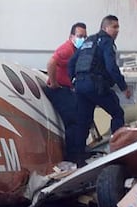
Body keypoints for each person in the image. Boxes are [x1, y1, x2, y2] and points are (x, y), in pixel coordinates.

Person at [68, 15, 131, 166]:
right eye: (114, 27)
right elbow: (111, 67)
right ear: (105, 28)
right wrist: (124, 87)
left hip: (81, 86)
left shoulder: (88, 41)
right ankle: (117, 153)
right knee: (117, 113)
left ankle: (79, 160)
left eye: (118, 27)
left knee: (82, 122)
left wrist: (74, 81)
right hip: (96, 85)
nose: (117, 30)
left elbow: (71, 63)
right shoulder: (107, 42)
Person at [45, 22, 87, 162]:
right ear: (71, 36)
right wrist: (54, 82)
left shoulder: (77, 51)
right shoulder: (67, 49)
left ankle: (78, 153)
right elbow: (51, 62)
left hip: (67, 89)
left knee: (79, 119)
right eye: (80, 36)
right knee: (73, 121)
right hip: (59, 89)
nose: (83, 39)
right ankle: (72, 156)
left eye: (85, 36)